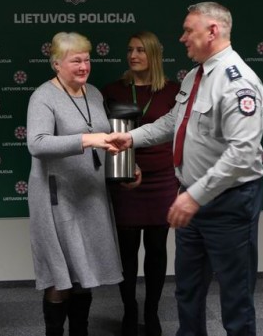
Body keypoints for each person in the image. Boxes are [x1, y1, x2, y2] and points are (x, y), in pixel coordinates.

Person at [107, 2, 263, 336]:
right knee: (188, 292)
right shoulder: (195, 76)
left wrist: (194, 197)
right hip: (191, 201)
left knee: (235, 300)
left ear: (212, 31)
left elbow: (243, 153)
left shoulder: (237, 82)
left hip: (227, 203)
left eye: (188, 30)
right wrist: (130, 138)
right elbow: (171, 122)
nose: (182, 38)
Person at [27, 32, 126, 336]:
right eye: (76, 61)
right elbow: (37, 143)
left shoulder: (93, 93)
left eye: (87, 59)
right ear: (56, 64)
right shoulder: (43, 96)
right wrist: (87, 140)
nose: (84, 66)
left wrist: (126, 167)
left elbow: (104, 139)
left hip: (91, 195)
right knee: (62, 276)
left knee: (86, 271)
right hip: (58, 198)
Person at [101, 31, 180, 336]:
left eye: (140, 50)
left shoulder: (173, 91)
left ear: (154, 55)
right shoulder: (113, 90)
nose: (133, 56)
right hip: (125, 177)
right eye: (130, 50)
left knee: (157, 248)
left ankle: (151, 312)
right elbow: (105, 137)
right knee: (127, 250)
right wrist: (125, 168)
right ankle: (130, 310)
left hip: (162, 178)